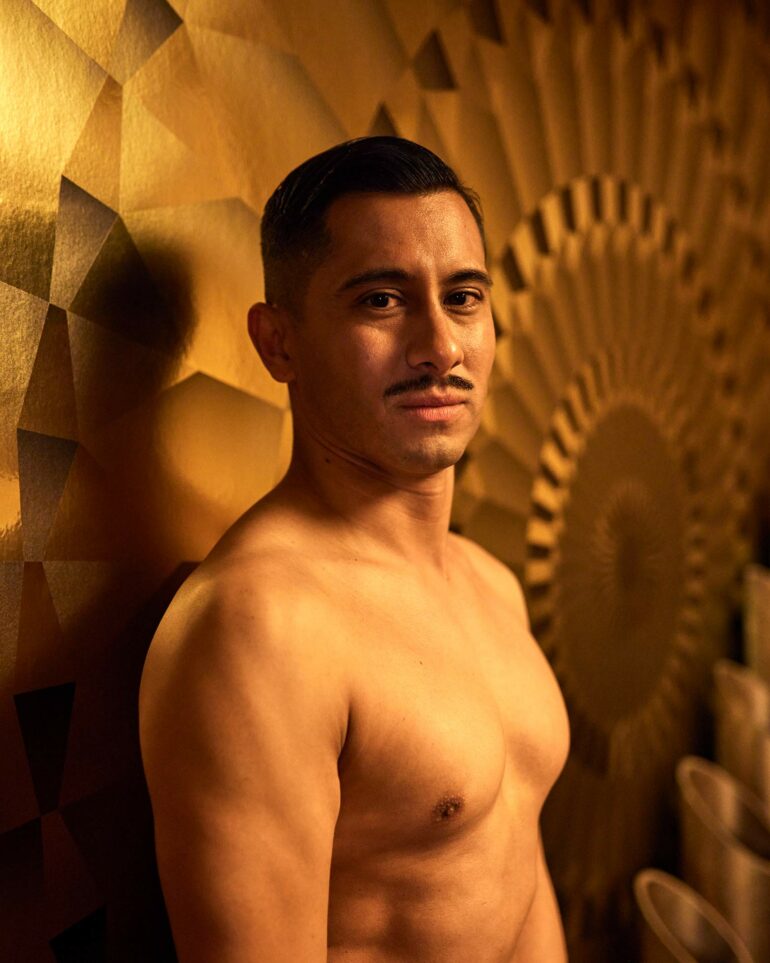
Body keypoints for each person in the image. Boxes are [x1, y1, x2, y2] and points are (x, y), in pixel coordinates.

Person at [139, 136, 570, 962]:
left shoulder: (492, 586)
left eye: (464, 297)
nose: (440, 346)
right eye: (381, 300)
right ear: (279, 343)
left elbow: (519, 887)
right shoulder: (259, 627)